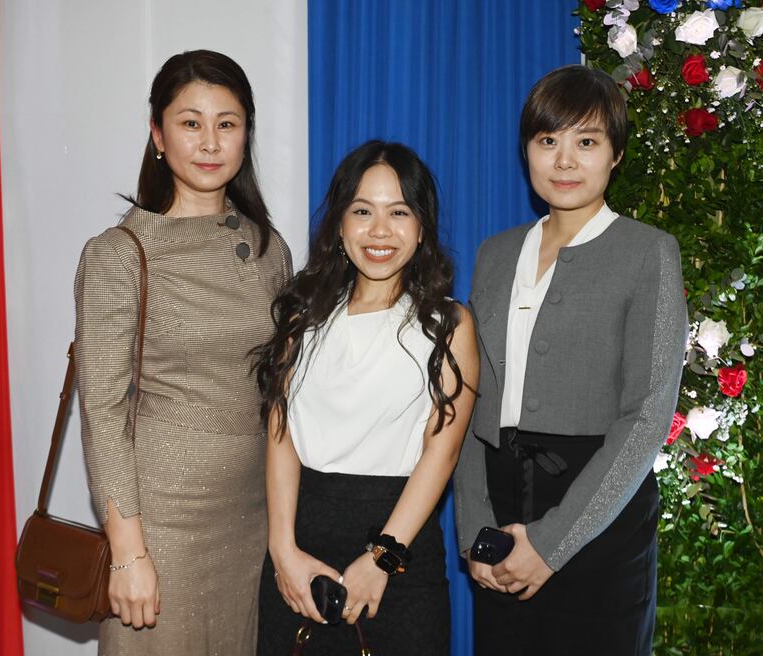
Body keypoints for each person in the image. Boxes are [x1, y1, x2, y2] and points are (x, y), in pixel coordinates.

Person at [453, 65, 688, 656]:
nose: (564, 161)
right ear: (527, 150)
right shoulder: (495, 253)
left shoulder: (648, 253)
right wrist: (476, 533)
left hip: (601, 518)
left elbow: (646, 418)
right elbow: (470, 400)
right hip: (500, 504)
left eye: (586, 142)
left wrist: (550, 544)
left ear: (615, 155)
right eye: (547, 140)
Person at [74, 50, 291, 655]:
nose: (210, 140)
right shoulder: (119, 252)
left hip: (253, 523)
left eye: (228, 122)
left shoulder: (271, 250)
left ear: (247, 133)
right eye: (190, 122)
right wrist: (127, 552)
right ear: (158, 135)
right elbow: (103, 414)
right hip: (162, 524)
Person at [254, 140, 478, 655]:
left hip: (399, 549)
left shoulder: (449, 325)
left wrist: (382, 559)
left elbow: (439, 454)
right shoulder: (301, 317)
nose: (380, 231)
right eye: (362, 211)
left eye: (399, 212)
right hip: (298, 548)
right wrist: (282, 548)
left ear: (421, 228)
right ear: (339, 225)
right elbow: (281, 433)